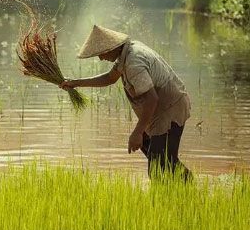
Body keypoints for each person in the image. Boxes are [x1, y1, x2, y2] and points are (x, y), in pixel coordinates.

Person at [59, 25, 193, 180]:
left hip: (170, 110)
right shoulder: (127, 53)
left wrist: (137, 132)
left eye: (101, 53)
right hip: (161, 109)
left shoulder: (133, 62)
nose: (100, 58)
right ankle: (188, 184)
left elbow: (152, 98)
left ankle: (178, 191)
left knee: (157, 169)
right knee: (160, 157)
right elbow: (110, 78)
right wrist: (75, 83)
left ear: (110, 48)